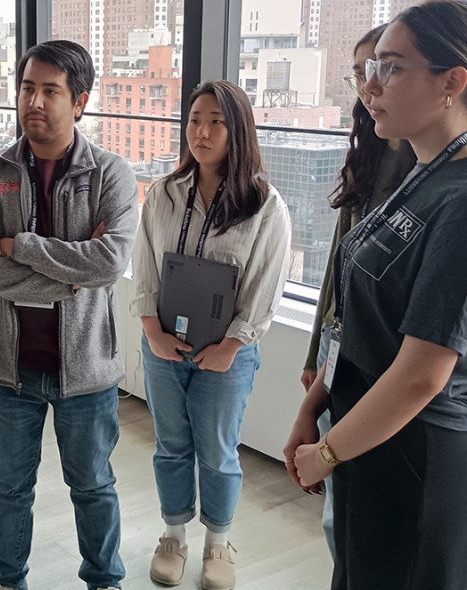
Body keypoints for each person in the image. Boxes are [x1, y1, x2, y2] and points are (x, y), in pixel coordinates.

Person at [285, 0, 467, 590]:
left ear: (452, 81)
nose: (371, 85)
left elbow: (423, 373)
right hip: (371, 448)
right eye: (370, 69)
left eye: (391, 67)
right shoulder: (425, 174)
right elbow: (361, 324)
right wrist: (312, 406)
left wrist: (329, 452)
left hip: (420, 462)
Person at [0, 40, 137, 590]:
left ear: (79, 101)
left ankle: (104, 581)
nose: (34, 101)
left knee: (93, 486)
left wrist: (18, 245)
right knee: (9, 488)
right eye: (27, 88)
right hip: (8, 367)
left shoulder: (111, 175)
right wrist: (71, 271)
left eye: (50, 91)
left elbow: (108, 263)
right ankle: (5, 581)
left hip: (85, 369)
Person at [132, 80, 290, 590]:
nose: (201, 132)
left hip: (227, 353)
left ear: (237, 130)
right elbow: (145, 267)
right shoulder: (164, 193)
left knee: (218, 450)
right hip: (162, 345)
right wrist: (151, 331)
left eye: (215, 122)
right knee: (170, 445)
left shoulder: (265, 206)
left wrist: (234, 344)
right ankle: (174, 535)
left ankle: (218, 543)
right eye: (195, 119)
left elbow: (267, 284)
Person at [298, 23, 417, 559]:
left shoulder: (436, 178)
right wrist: (317, 356)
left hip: (387, 358)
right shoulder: (368, 151)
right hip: (341, 345)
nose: (369, 88)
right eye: (360, 74)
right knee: (341, 519)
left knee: (369, 518)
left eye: (383, 69)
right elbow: (338, 268)